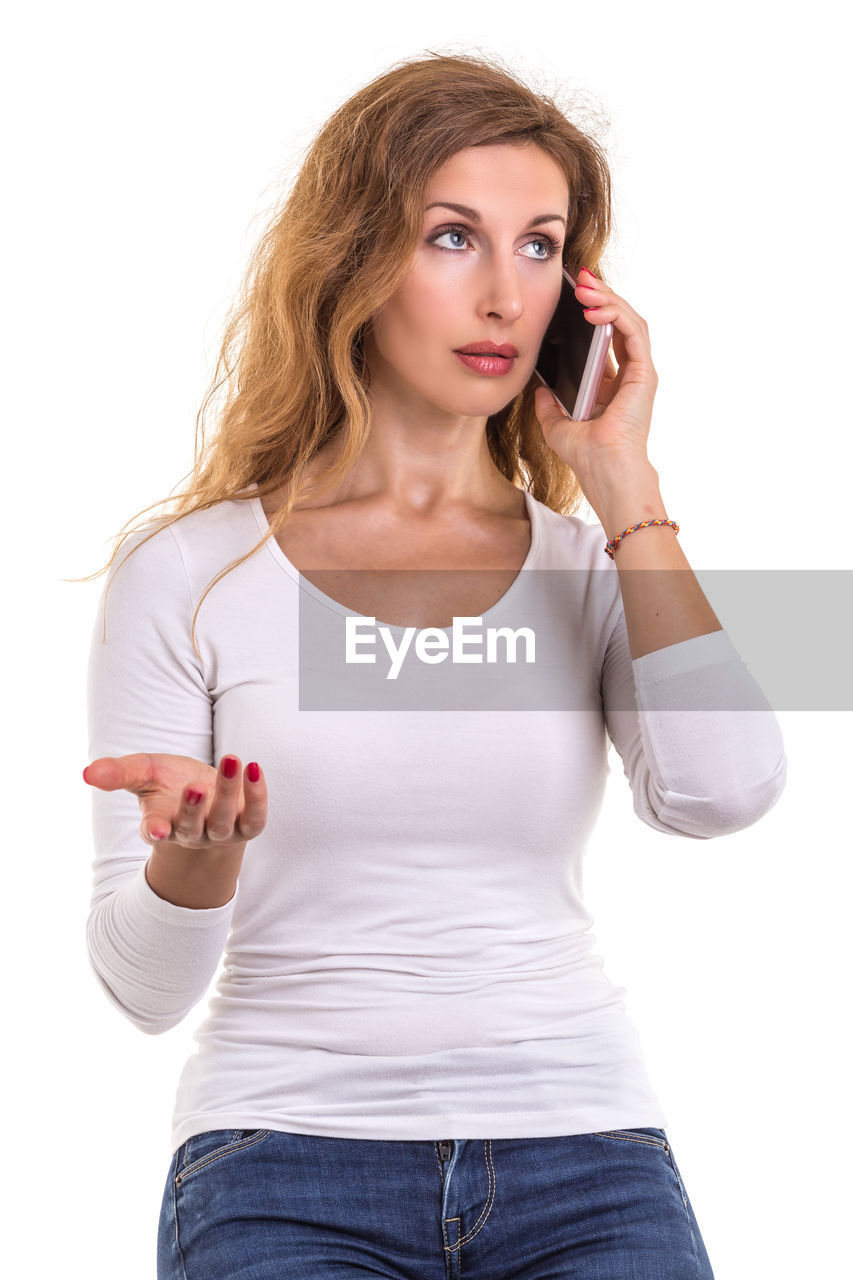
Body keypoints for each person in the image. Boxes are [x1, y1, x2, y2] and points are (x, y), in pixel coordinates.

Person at [82, 51, 786, 1280]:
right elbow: (142, 990)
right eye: (454, 237)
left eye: (538, 245)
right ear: (356, 258)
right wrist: (196, 872)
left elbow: (723, 791)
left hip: (588, 1154)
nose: (506, 295)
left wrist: (625, 482)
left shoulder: (592, 558)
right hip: (283, 1158)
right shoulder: (189, 573)